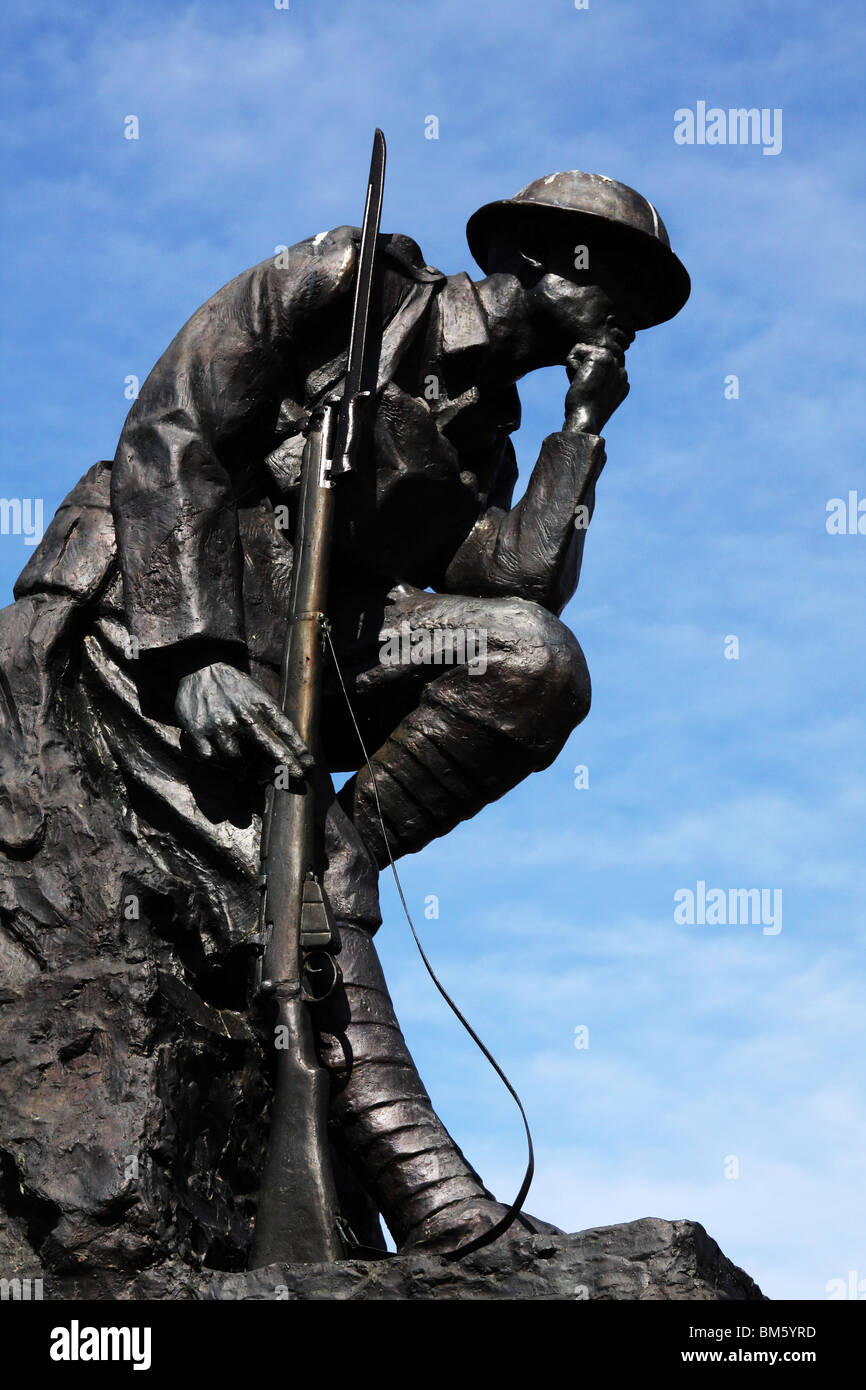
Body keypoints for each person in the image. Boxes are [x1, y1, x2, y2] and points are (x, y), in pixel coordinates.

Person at [0, 170, 689, 1282]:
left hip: (304, 649)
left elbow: (518, 576)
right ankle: (442, 1208)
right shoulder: (349, 284)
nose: (630, 318)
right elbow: (171, 422)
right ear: (552, 262)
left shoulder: (490, 440)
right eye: (620, 286)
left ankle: (344, 851)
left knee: (532, 661)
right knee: (300, 856)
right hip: (147, 621)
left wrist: (579, 429)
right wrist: (197, 657)